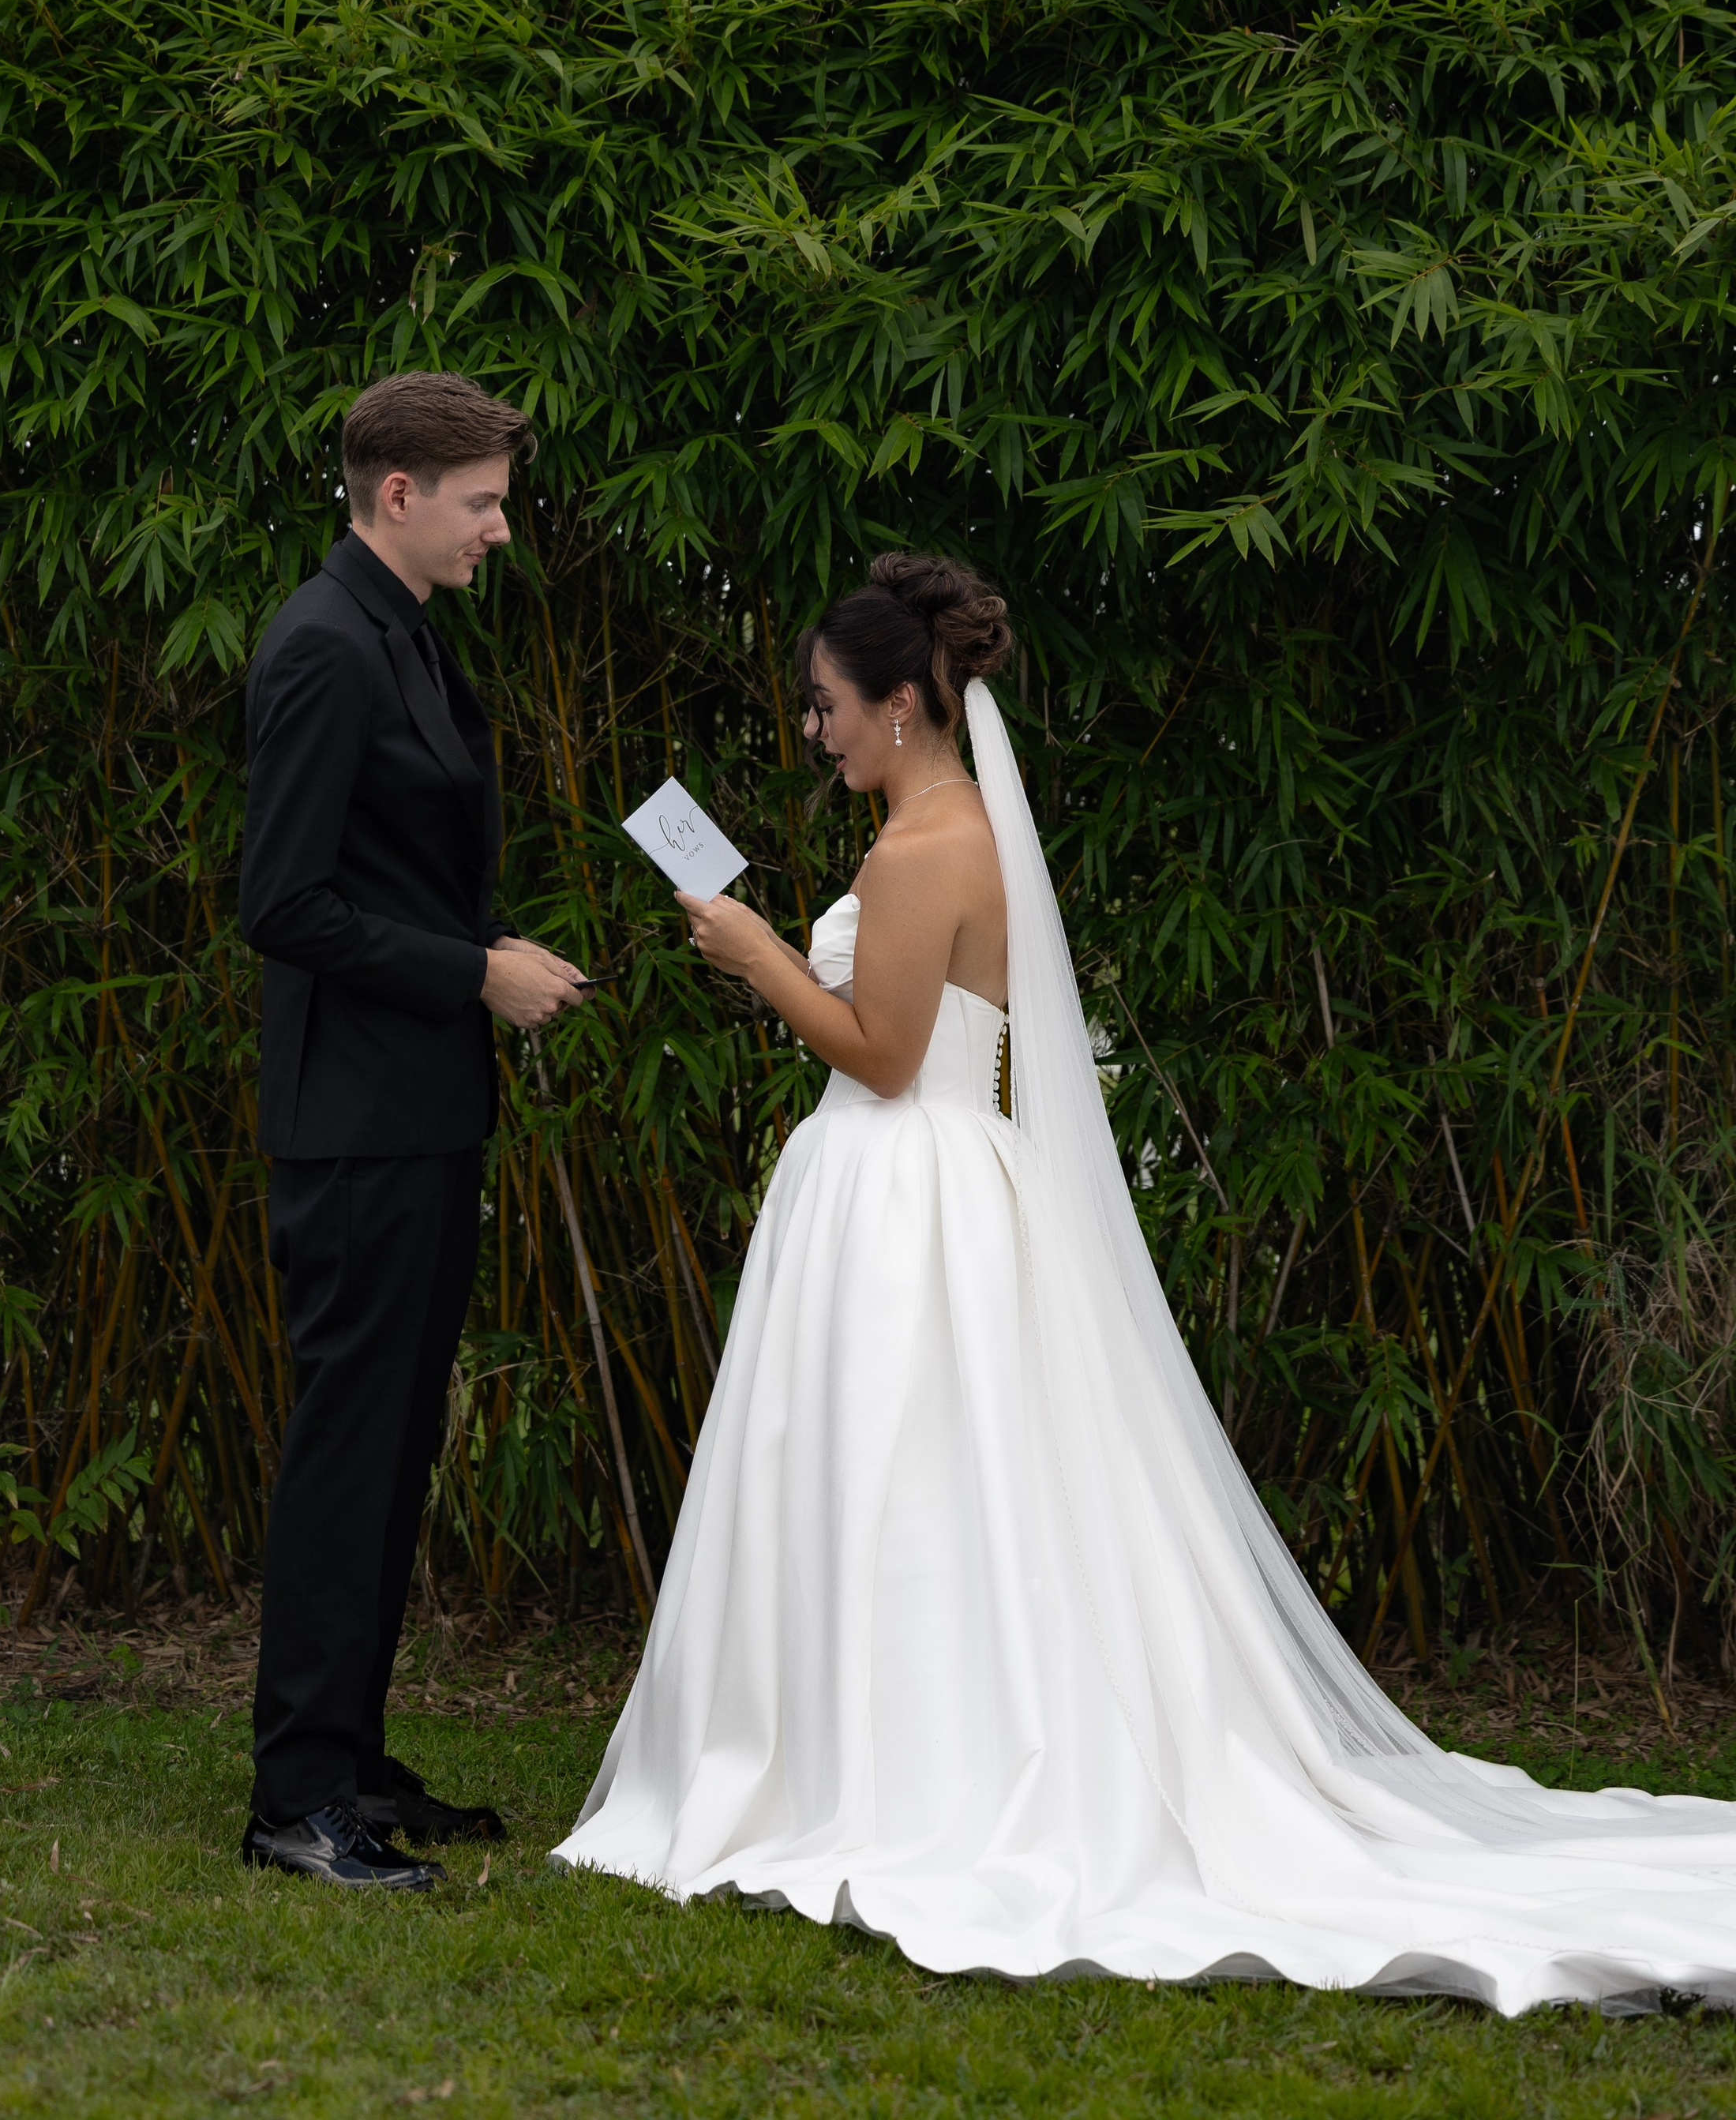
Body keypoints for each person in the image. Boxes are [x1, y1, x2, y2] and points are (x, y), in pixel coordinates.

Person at [557, 552, 1736, 2015]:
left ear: (906, 704)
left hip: (904, 1185)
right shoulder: (969, 823)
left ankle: (887, 1761)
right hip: (938, 1186)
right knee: (931, 1488)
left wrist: (747, 952)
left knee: (899, 1479)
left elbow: (879, 1051)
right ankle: (896, 1734)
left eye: (826, 707)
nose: (816, 734)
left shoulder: (917, 851)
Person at [238, 372, 583, 1889]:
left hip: (421, 1111)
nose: (501, 530)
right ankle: (294, 1800)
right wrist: (473, 973)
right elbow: (285, 902)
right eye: (484, 502)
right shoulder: (322, 647)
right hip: (357, 1125)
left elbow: (401, 863)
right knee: (349, 1449)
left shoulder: (406, 633)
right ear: (398, 495)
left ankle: (351, 1762)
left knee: (392, 1452)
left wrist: (488, 950)